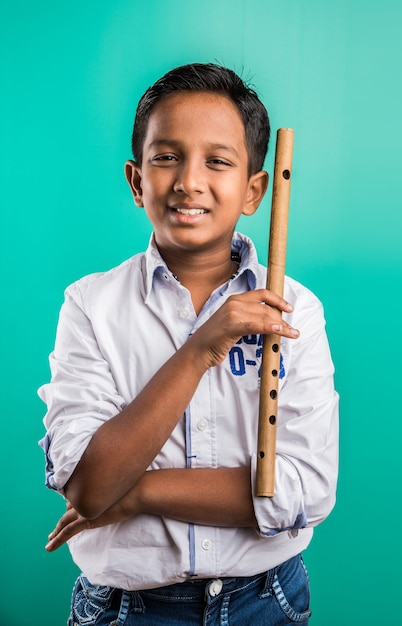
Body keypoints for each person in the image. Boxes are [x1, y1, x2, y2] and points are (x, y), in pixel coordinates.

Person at [39, 62, 339, 626]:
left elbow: (304, 492)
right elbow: (90, 485)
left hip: (266, 599)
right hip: (127, 608)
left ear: (255, 190)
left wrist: (137, 494)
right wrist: (203, 347)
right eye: (166, 157)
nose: (188, 181)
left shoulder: (297, 309)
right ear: (136, 181)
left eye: (218, 161)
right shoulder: (90, 305)